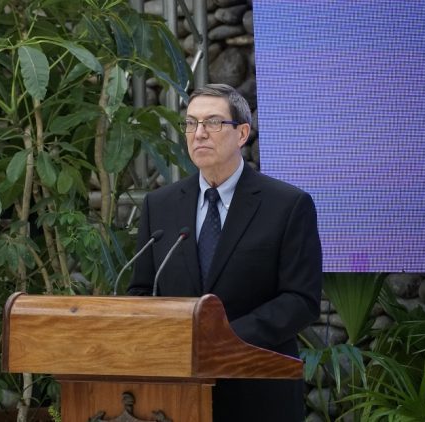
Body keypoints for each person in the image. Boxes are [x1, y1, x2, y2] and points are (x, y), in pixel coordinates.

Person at [128, 84, 322, 421]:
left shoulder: (287, 205)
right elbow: (142, 290)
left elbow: (300, 299)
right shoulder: (159, 205)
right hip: (176, 393)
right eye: (191, 123)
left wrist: (224, 339)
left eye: (213, 123)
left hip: (257, 391)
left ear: (242, 133)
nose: (199, 133)